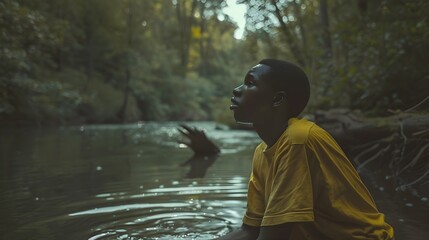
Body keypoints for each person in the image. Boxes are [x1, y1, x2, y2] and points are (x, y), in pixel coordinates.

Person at [218, 59, 394, 240]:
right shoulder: (261, 152)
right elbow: (250, 231)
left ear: (277, 99)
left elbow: (273, 237)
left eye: (250, 83)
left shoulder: (298, 140)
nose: (237, 90)